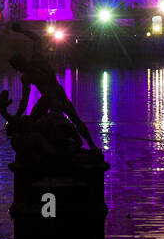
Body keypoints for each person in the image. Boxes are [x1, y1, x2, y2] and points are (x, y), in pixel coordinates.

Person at [9, 23, 100, 151]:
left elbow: (25, 101)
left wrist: (17, 116)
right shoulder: (37, 58)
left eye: (15, 68)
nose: (17, 71)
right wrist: (22, 30)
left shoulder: (27, 77)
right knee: (75, 119)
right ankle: (92, 146)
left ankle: (42, 146)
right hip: (59, 92)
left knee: (32, 120)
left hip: (47, 98)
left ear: (17, 66)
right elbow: (37, 39)